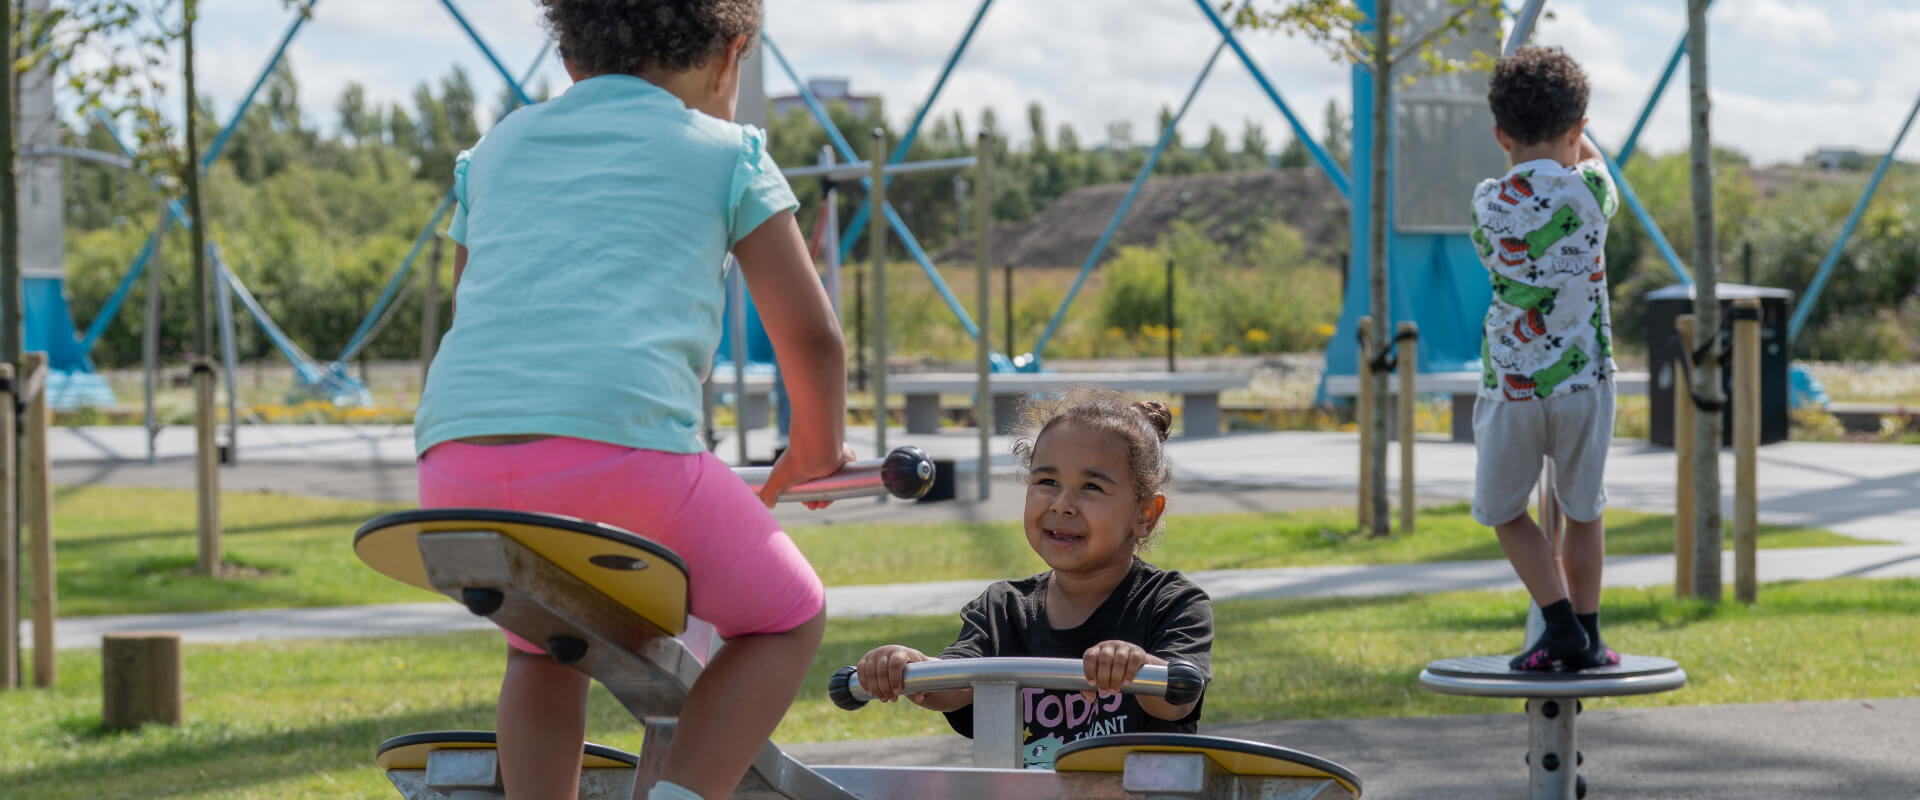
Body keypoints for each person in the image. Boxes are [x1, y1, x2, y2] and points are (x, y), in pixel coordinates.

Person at [412, 2, 850, 798]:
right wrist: (815, 452)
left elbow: (476, 304)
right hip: (626, 462)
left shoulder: (499, 148)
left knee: (540, 642)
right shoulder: (727, 153)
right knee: (787, 616)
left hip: (453, 465)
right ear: (732, 56)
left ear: (571, 58)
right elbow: (812, 337)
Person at [855, 388, 1213, 769]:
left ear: (1146, 514)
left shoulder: (1172, 603)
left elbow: (1179, 697)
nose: (1062, 504)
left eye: (1091, 487)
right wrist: (908, 668)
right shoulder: (1002, 610)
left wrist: (1139, 666)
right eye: (1047, 482)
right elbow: (955, 685)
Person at [1468, 45, 1622, 672]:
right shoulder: (1591, 191)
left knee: (1506, 510)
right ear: (1578, 128)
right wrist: (1580, 145)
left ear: (1501, 134)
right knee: (1583, 510)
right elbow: (1596, 163)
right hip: (1584, 381)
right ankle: (1588, 632)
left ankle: (1556, 621)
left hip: (1511, 386)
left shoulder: (1486, 202)